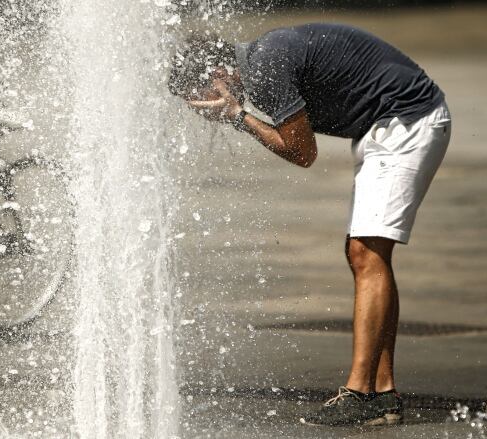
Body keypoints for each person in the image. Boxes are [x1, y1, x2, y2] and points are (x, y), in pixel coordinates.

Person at [169, 23, 451, 427]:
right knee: (365, 255)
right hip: (392, 124)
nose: (204, 111)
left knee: (366, 256)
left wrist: (236, 115)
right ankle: (382, 393)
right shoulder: (263, 58)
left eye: (202, 99)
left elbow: (303, 153)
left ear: (218, 74)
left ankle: (359, 395)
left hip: (408, 120)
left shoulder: (266, 68)